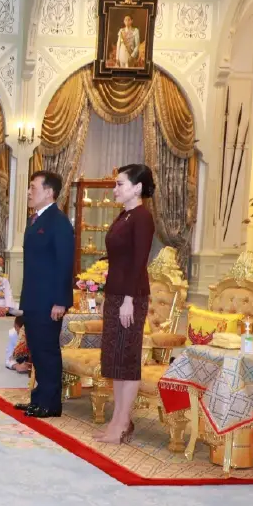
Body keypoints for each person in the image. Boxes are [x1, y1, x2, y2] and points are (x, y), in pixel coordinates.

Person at [94, 164, 157, 444]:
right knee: (115, 359)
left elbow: (138, 261)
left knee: (127, 359)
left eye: (120, 184)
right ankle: (118, 419)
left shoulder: (142, 217)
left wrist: (129, 300)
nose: (114, 189)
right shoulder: (125, 215)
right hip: (116, 295)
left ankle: (122, 422)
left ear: (137, 187)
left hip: (130, 297)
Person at [15, 170, 75, 419]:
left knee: (47, 351)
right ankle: (39, 398)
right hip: (34, 298)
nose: (29, 192)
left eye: (33, 187)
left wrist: (61, 300)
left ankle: (51, 404)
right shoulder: (36, 219)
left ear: (49, 192)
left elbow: (64, 263)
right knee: (37, 350)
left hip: (49, 300)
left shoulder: (58, 221)